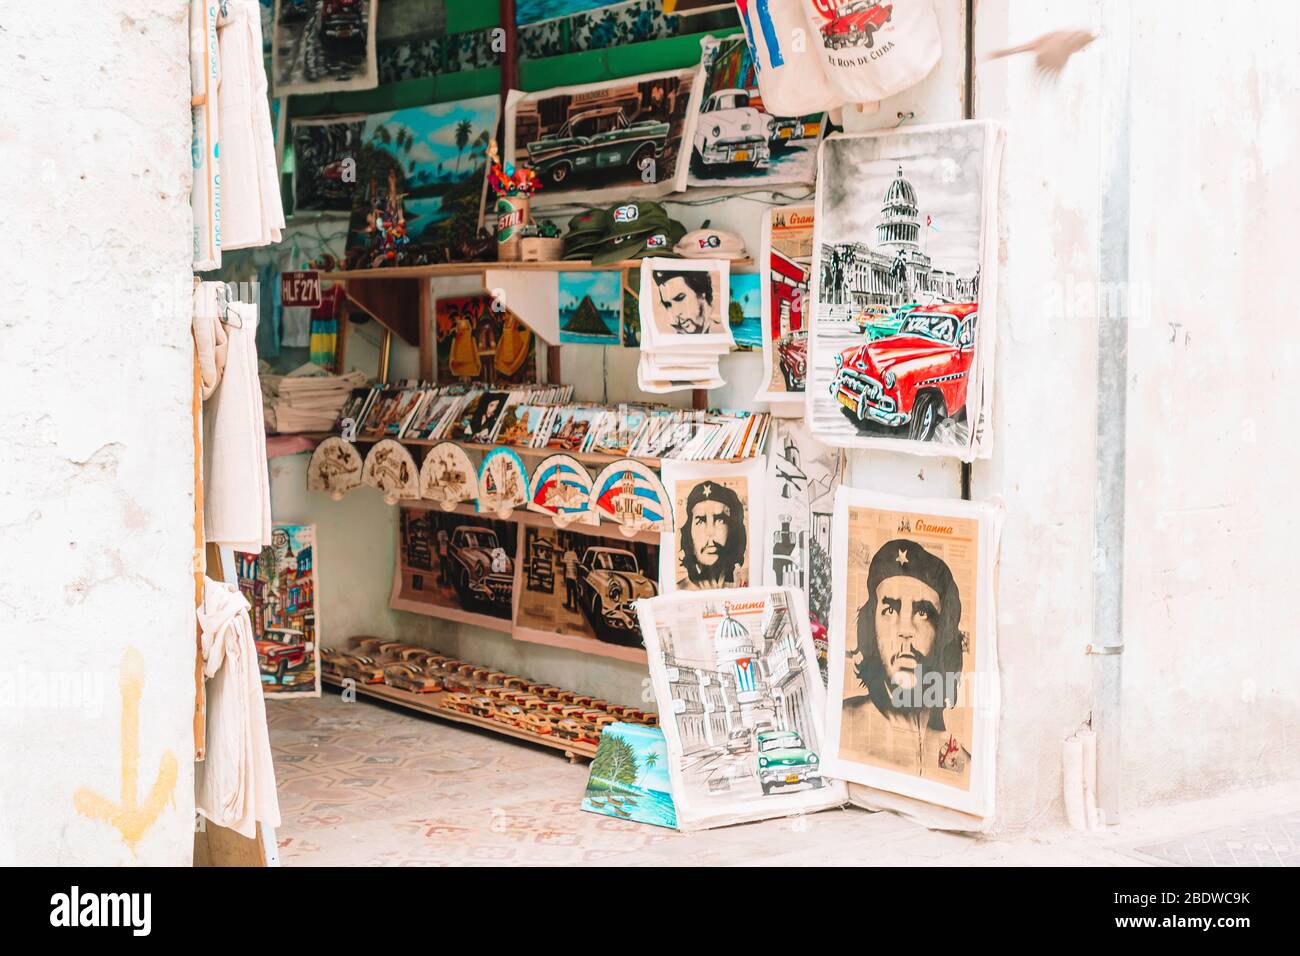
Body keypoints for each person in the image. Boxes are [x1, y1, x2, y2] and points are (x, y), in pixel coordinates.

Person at [840, 538, 971, 782]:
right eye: (890, 610)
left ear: (943, 634)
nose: (905, 630)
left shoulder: (963, 767)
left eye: (923, 613)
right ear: (871, 626)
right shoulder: (840, 730)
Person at [676, 480, 747, 590]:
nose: (710, 532)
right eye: (700, 521)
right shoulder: (678, 592)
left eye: (720, 520)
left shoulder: (748, 587)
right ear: (688, 533)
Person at [653, 270, 719, 335]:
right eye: (668, 305)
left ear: (701, 291)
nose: (675, 313)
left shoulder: (719, 332)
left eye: (680, 298)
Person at [561, 545, 580, 612]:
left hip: (568, 575)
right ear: (573, 547)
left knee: (569, 591)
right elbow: (577, 564)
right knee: (574, 592)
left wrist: (564, 575)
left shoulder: (566, 553)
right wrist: (577, 575)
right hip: (574, 576)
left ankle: (569, 604)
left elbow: (564, 564)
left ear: (568, 546)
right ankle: (575, 607)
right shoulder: (574, 554)